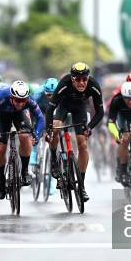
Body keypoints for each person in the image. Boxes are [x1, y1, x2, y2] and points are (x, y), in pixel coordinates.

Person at [44, 62, 104, 202]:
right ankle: (54, 158)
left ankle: (81, 186)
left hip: (80, 109)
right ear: (72, 79)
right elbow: (50, 110)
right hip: (63, 106)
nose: (81, 83)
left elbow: (100, 112)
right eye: (77, 79)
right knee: (56, 127)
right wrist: (49, 131)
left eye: (84, 79)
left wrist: (89, 127)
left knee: (82, 145)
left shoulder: (94, 85)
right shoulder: (64, 83)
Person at [0, 81, 45, 200]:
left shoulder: (28, 100)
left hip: (19, 115)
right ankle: (1, 179)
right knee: (0, 148)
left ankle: (24, 171)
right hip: (2, 115)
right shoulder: (1, 98)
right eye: (17, 100)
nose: (20, 103)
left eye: (23, 101)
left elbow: (40, 118)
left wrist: (36, 133)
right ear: (11, 97)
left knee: (25, 136)